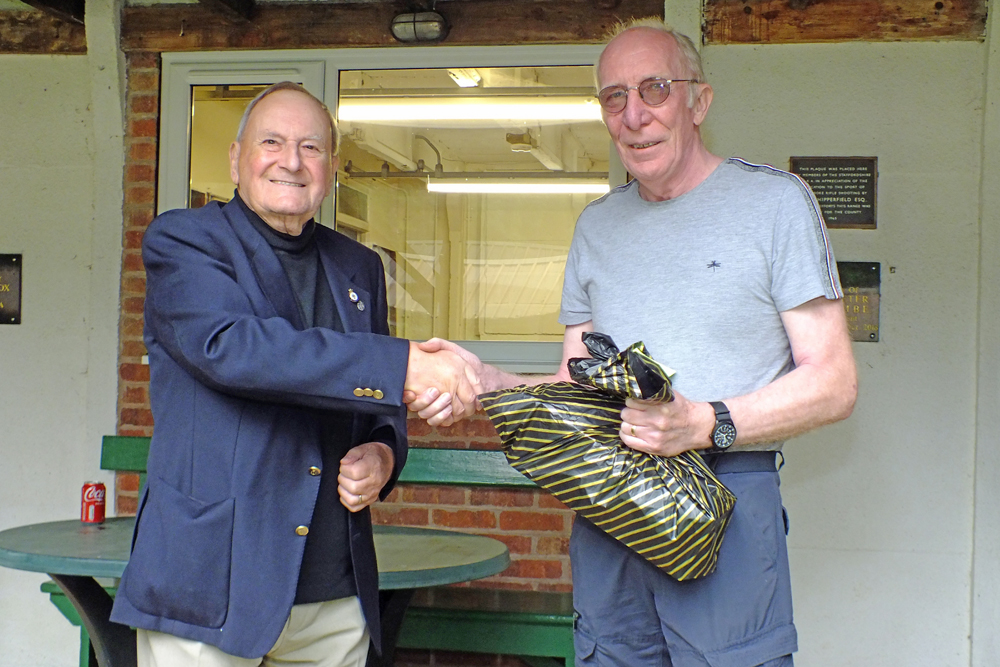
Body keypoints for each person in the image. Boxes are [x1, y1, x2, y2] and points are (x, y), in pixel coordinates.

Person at [406, 19, 858, 667]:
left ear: (698, 101)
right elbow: (573, 387)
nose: (634, 114)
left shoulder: (774, 204)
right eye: (614, 97)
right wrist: (488, 379)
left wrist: (704, 421)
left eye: (654, 89)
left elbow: (835, 381)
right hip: (610, 502)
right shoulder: (597, 225)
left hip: (725, 497)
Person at [110, 81, 479, 667]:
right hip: (211, 589)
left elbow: (378, 409)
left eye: (311, 147)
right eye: (272, 142)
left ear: (331, 167)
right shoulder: (185, 241)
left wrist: (383, 455)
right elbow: (234, 349)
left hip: (332, 596)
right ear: (236, 158)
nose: (291, 160)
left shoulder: (357, 266)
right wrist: (406, 362)